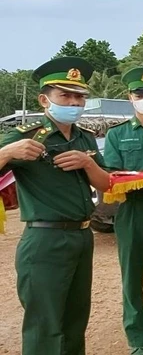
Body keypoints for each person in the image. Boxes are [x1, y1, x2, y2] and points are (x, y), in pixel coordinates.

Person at [0, 56, 110, 355]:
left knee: (76, 320)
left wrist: (87, 162)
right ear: (44, 100)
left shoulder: (84, 137)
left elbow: (105, 183)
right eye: (65, 95)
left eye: (79, 97)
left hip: (81, 236)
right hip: (45, 240)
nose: (74, 102)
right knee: (44, 324)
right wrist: (8, 152)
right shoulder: (25, 137)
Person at [103, 66, 143, 355]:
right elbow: (113, 174)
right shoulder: (117, 135)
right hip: (131, 210)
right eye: (139, 93)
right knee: (131, 275)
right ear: (129, 97)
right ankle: (136, 337)